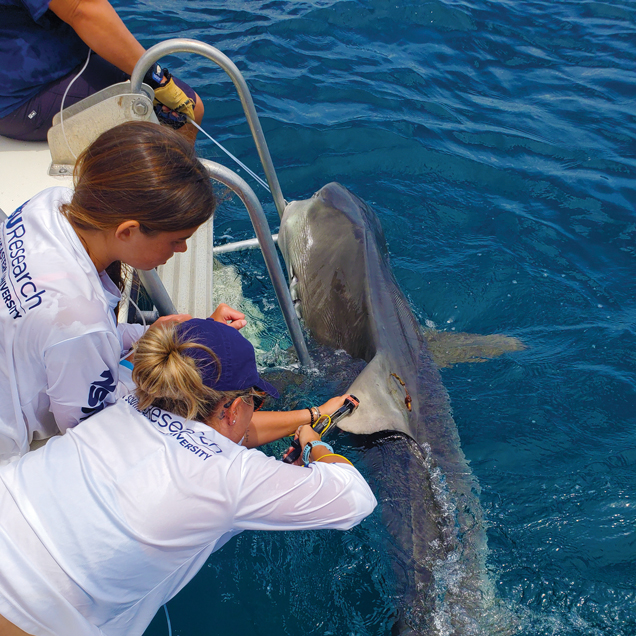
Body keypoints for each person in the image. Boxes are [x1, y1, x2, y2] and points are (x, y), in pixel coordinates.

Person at [0, 318, 377, 636]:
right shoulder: (232, 477)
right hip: (32, 612)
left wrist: (311, 414)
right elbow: (356, 498)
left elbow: (209, 436)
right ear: (231, 407)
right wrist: (315, 447)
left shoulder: (130, 395)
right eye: (255, 401)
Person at [0, 120, 246, 465]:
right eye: (176, 240)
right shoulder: (79, 319)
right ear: (128, 231)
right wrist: (185, 363)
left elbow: (53, 340)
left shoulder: (49, 205)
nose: (183, 250)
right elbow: (89, 432)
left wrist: (157, 336)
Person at [0, 0, 203, 142]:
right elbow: (80, 8)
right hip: (21, 96)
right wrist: (156, 79)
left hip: (37, 69)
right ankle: (165, 199)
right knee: (187, 109)